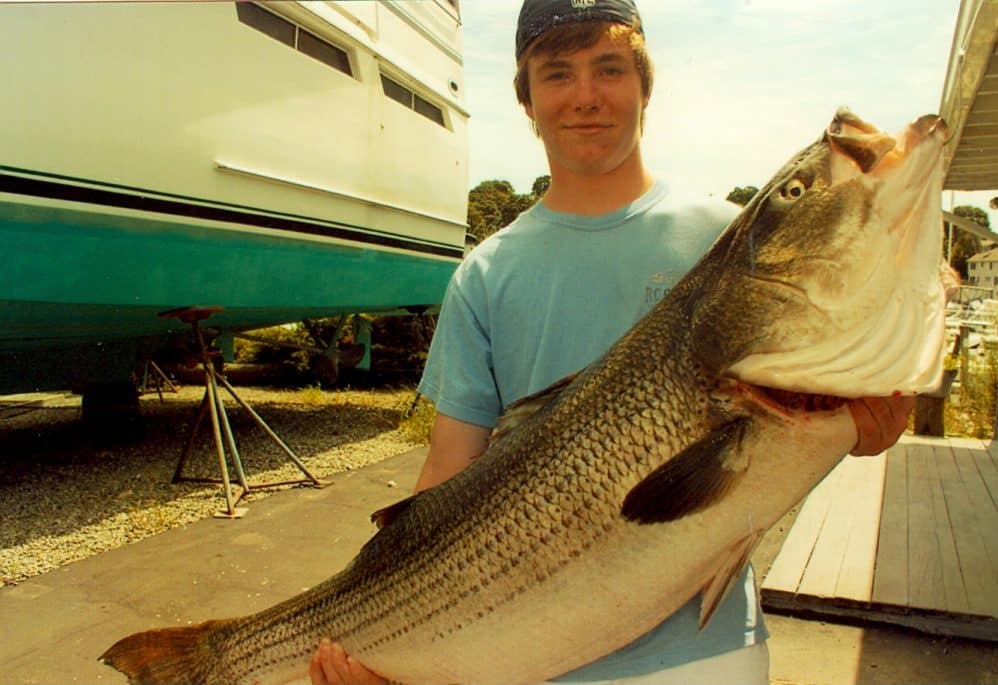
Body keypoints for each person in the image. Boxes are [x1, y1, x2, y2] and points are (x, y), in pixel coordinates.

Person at [310, 1, 914, 683]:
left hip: (706, 656)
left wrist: (868, 425)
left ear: (644, 86)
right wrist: (379, 653)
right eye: (558, 73)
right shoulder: (484, 272)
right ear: (527, 99)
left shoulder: (726, 237)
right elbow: (448, 473)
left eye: (610, 68)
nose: (587, 96)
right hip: (513, 657)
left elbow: (824, 407)